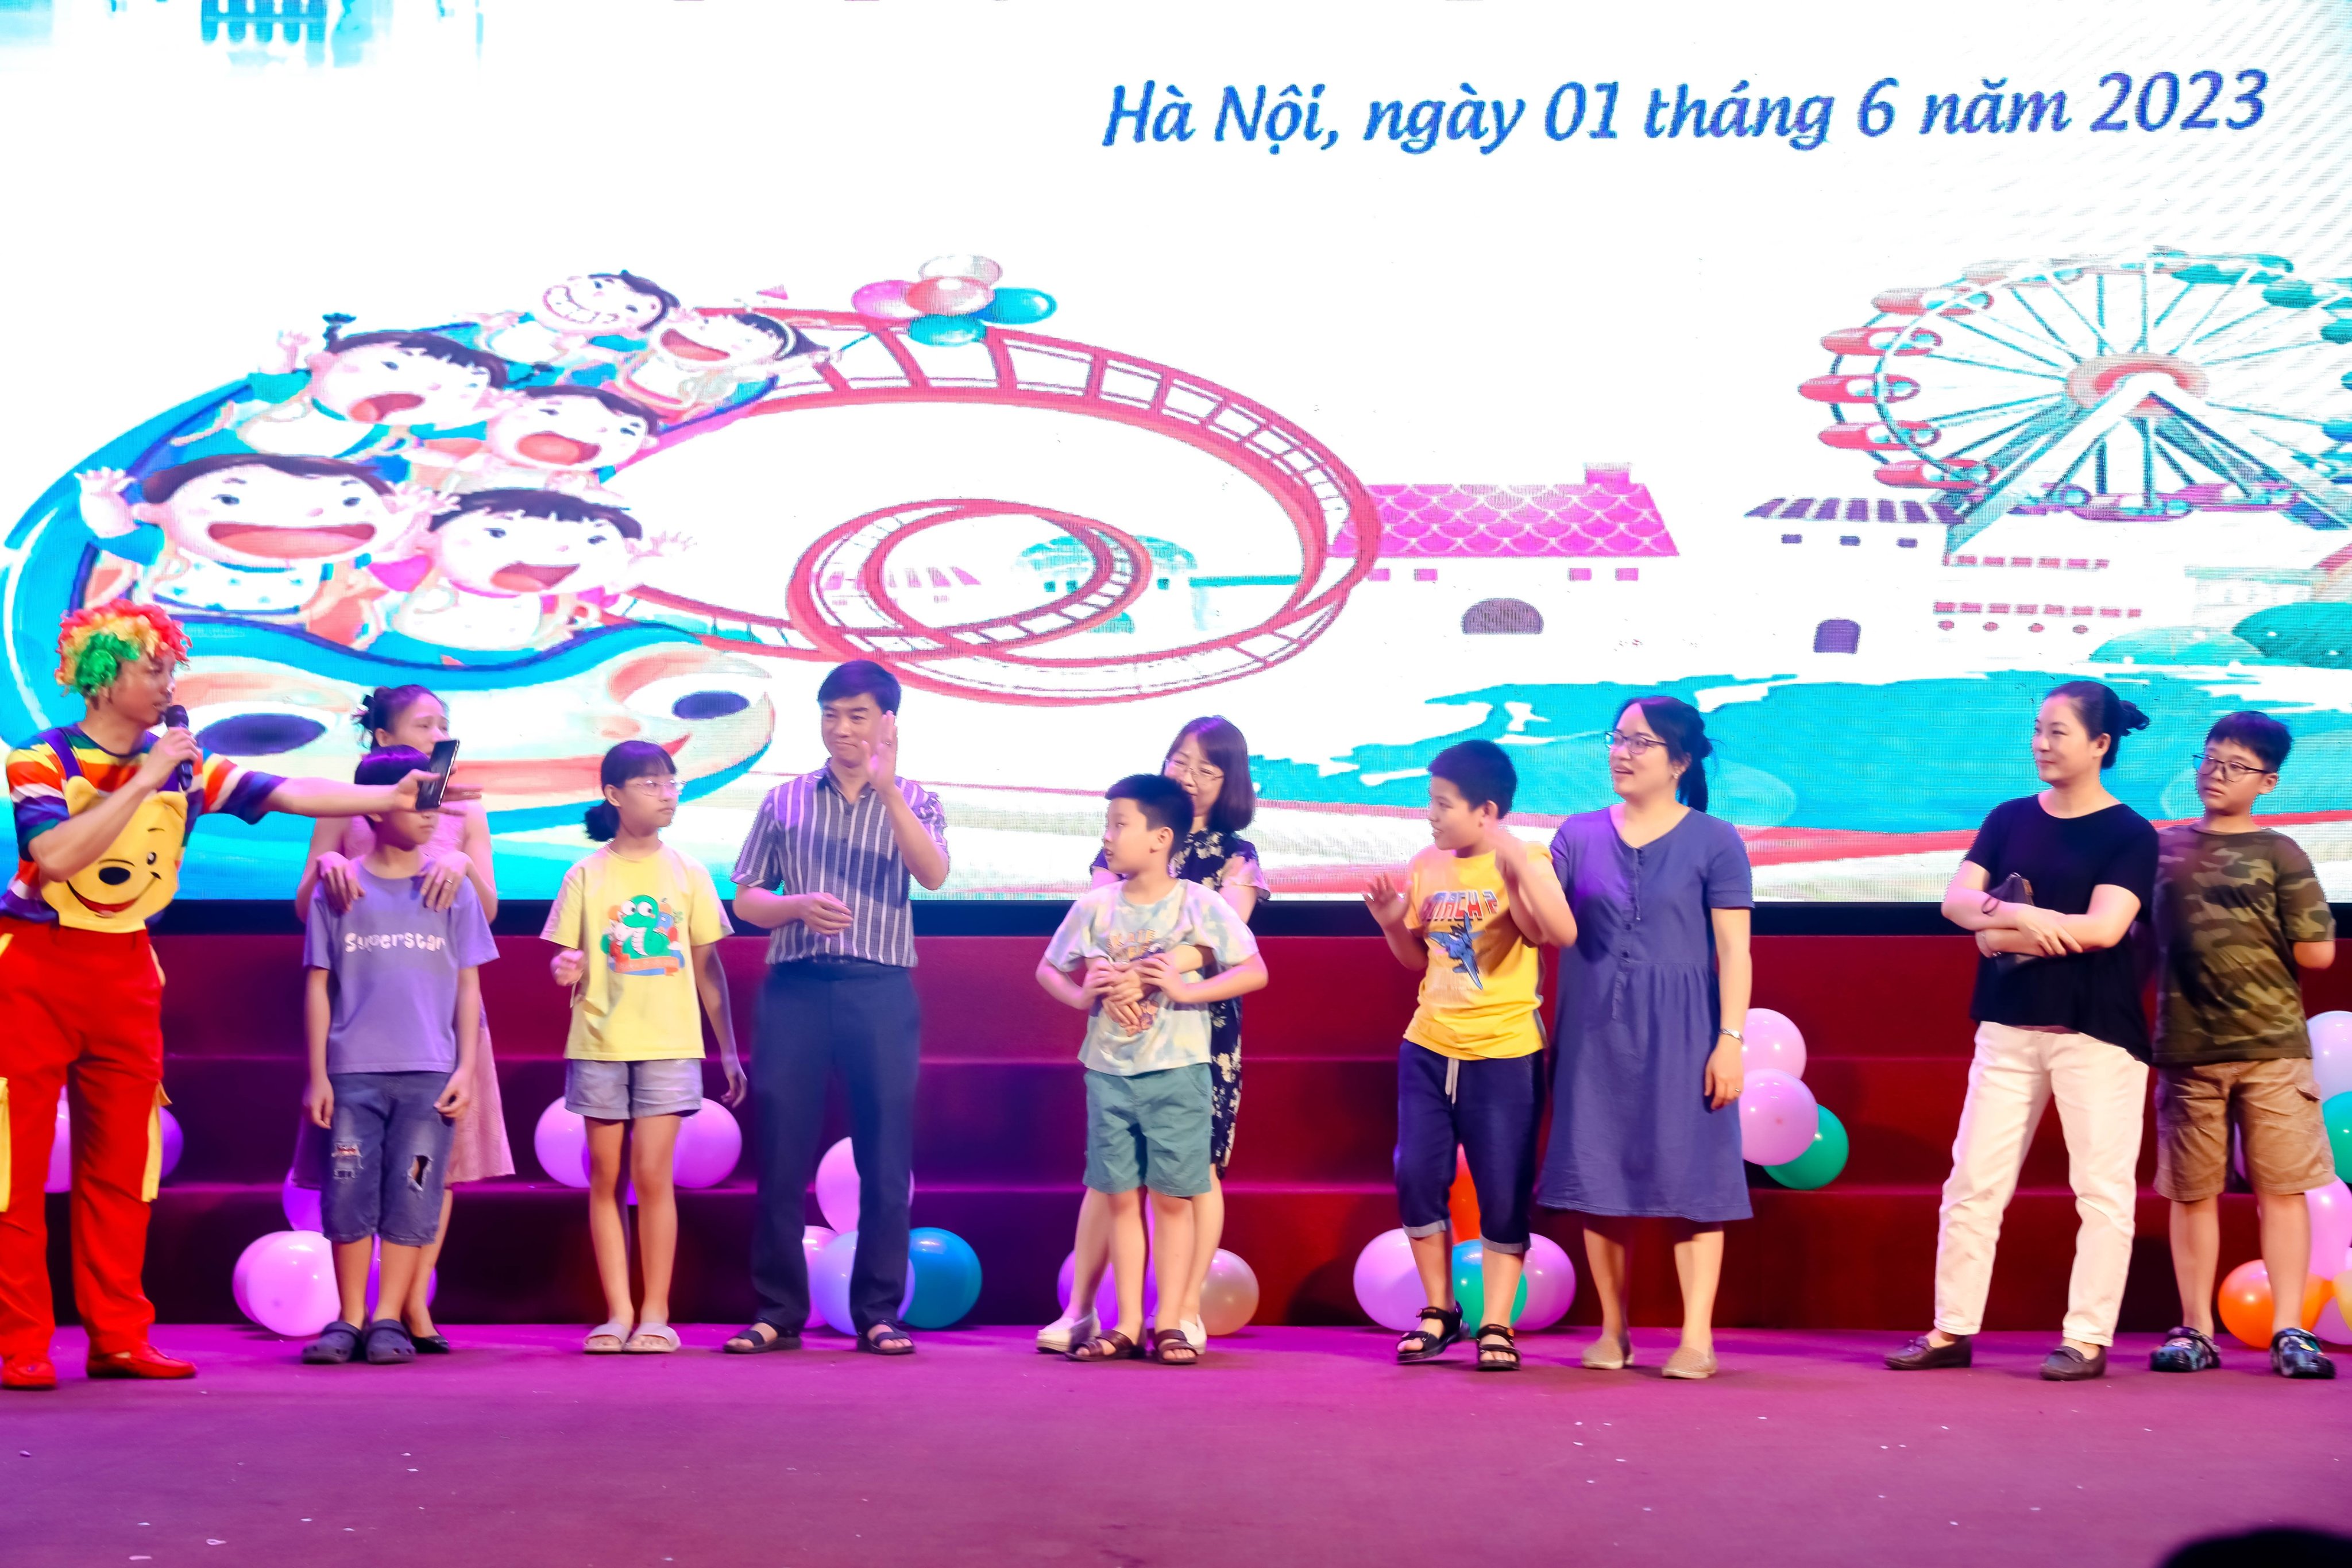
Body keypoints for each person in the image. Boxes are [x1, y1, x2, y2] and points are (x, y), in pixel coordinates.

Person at [0, 601, 473, 1392]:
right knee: (12, 1169)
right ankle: (22, 1342)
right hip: (36, 968)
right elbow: (53, 855)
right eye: (153, 670)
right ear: (103, 677)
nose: (168, 686)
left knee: (124, 1168)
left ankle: (119, 1335)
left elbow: (288, 790)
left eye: (170, 670)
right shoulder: (40, 759)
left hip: (126, 970)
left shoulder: (189, 767)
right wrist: (145, 777)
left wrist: (385, 800)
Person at [1887, 680, 2158, 1382]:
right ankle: (1951, 1329)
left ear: (2101, 744)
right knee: (1973, 1181)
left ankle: (2087, 1338)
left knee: (2101, 1189)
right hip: (2008, 1025)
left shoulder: (2129, 833)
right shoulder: (2009, 817)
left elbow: (2104, 929)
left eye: (2058, 732)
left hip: (2096, 1033)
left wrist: (1999, 932)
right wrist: (2025, 919)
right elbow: (1955, 902)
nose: (2041, 743)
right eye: (2038, 729)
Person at [725, 661, 949, 1358]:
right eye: (831, 715)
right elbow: (747, 898)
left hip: (879, 990)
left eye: (857, 716)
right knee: (781, 1153)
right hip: (795, 989)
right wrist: (794, 906)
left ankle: (878, 1312)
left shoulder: (917, 798)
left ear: (888, 722)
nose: (841, 728)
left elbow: (933, 874)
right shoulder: (785, 799)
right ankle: (778, 1311)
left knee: (884, 1156)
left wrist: (889, 793)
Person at [292, 684, 511, 1354]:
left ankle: (408, 1306)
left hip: (434, 1022)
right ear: (383, 738)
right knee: (355, 1178)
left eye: (444, 723)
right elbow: (309, 912)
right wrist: (329, 862)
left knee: (433, 1168)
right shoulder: (350, 800)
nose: (437, 735)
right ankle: (362, 1314)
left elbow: (485, 918)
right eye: (422, 724)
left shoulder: (461, 807)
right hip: (363, 1026)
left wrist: (462, 861)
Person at [1541, 697, 1755, 1381]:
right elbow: (1540, 918)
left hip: (1686, 1030)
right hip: (1594, 1028)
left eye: (1641, 742)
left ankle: (1697, 1337)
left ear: (1680, 761)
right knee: (1599, 1174)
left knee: (1696, 1179)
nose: (1622, 753)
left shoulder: (1716, 839)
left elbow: (1735, 951)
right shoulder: (1576, 835)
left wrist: (1730, 1040)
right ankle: (1614, 1330)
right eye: (1618, 738)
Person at [1040, 716, 1268, 1355]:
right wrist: (1106, 984)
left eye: (1207, 768)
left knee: (1189, 1180)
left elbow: (1224, 949)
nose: (1189, 776)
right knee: (1114, 1187)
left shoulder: (1230, 861)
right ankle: (1098, 1313)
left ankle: (1181, 1312)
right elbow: (1089, 938)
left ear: (1229, 781)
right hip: (1117, 1036)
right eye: (1180, 760)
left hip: (1193, 1034)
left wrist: (1157, 976)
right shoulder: (1115, 861)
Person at [1364, 740, 1575, 1372]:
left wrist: (1515, 868)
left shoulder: (1527, 857)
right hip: (1429, 1045)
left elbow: (1558, 933)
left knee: (1502, 1186)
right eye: (1429, 801)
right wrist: (1389, 921)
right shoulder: (1427, 864)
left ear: (1486, 810)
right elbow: (1416, 959)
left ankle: (1496, 1323)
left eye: (1442, 803)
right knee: (1416, 1174)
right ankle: (1439, 1311)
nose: (1430, 815)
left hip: (1505, 1050)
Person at [2148, 712, 2336, 1380]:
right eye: (2209, 759)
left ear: (2269, 782)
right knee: (2192, 1192)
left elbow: (2318, 952)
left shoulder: (2283, 852)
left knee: (2282, 1191)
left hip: (2273, 1050)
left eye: (2235, 766)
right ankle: (2195, 1329)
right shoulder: (2159, 849)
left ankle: (2290, 1328)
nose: (2216, 775)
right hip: (2187, 1048)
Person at [543, 741, 743, 1354]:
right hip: (600, 1043)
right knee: (605, 1177)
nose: (667, 794)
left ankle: (656, 1313)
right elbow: (565, 957)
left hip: (669, 1043)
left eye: (671, 783)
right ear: (614, 795)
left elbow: (708, 969)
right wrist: (565, 968)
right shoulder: (586, 874)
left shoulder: (688, 872)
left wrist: (728, 1049)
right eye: (651, 784)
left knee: (654, 1176)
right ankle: (617, 1313)